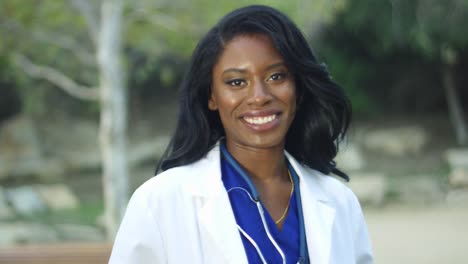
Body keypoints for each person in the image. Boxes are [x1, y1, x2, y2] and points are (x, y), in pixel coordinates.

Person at [109, 5, 373, 264]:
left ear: (299, 88)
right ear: (212, 96)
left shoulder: (340, 203)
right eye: (236, 82)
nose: (259, 96)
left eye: (276, 76)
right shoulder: (159, 202)